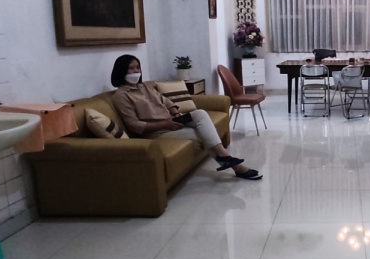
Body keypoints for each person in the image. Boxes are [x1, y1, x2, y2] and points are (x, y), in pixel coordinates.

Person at [110, 55, 262, 180]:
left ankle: (225, 157)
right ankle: (236, 166)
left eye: (137, 67)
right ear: (121, 71)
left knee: (200, 114)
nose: (136, 71)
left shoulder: (144, 87)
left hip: (172, 121)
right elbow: (134, 125)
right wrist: (165, 124)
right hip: (158, 131)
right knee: (203, 133)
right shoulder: (121, 96)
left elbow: (165, 100)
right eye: (131, 68)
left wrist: (174, 111)